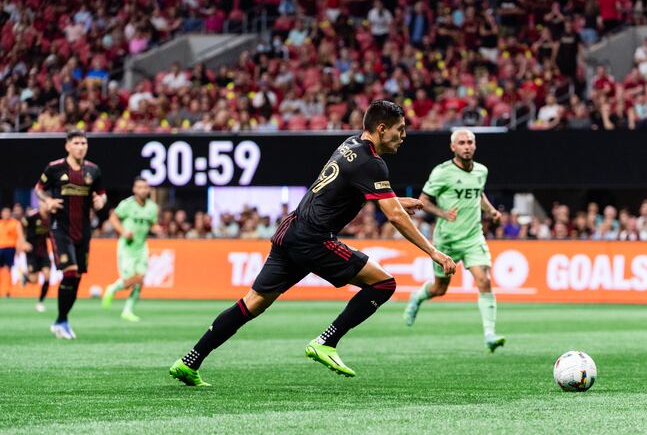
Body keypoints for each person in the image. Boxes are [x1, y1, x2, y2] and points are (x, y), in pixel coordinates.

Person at [169, 100, 456, 386]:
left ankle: (190, 360)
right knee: (383, 284)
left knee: (252, 303)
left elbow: (351, 189)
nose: (404, 136)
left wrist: (397, 200)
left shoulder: (350, 144)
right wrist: (433, 251)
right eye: (400, 129)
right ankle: (326, 342)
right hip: (314, 239)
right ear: (382, 129)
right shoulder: (373, 163)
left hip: (290, 231)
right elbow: (393, 216)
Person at [403, 128, 506, 351]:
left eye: (470, 142)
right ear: (453, 147)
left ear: (475, 146)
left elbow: (478, 194)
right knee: (440, 289)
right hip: (446, 240)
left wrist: (490, 211)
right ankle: (417, 297)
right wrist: (443, 213)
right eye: (462, 143)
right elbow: (423, 201)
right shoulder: (442, 172)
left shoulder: (481, 171)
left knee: (484, 281)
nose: (466, 146)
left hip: (472, 237)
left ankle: (490, 334)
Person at [35, 129, 106, 339]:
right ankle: (61, 321)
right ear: (67, 146)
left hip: (83, 230)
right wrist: (47, 201)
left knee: (77, 277)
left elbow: (101, 192)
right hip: (60, 228)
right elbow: (39, 188)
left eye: (83, 143)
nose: (80, 147)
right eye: (76, 143)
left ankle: (61, 320)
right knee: (70, 271)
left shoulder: (93, 170)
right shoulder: (55, 168)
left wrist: (101, 200)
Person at [101, 177, 160, 322]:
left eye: (145, 187)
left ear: (149, 189)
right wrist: (123, 231)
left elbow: (151, 223)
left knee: (140, 280)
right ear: (134, 189)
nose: (143, 190)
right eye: (139, 187)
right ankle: (112, 289)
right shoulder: (127, 204)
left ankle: (127, 311)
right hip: (127, 247)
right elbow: (113, 217)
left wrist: (155, 228)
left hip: (141, 247)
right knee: (129, 281)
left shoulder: (152, 207)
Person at [21, 204, 51, 312]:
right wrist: (23, 242)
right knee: (34, 280)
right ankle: (26, 276)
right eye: (43, 203)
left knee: (47, 276)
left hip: (44, 252)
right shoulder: (32, 216)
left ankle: (40, 302)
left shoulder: (50, 217)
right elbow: (20, 225)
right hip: (32, 252)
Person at [0, 207, 29, 297]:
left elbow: (20, 236)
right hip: (0, 248)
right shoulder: (0, 223)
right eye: (4, 212)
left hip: (10, 248)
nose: (6, 214)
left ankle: (8, 290)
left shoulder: (15, 223)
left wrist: (20, 247)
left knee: (9, 269)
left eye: (8, 212)